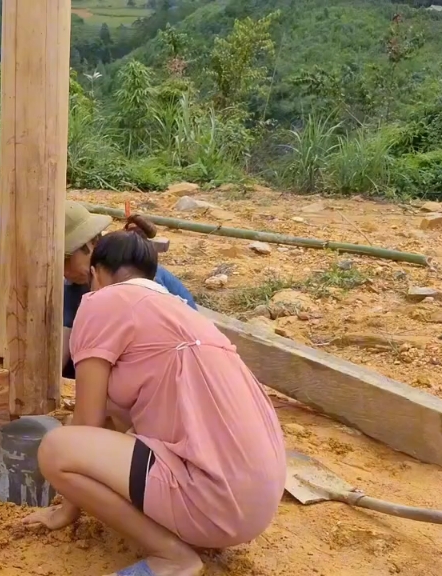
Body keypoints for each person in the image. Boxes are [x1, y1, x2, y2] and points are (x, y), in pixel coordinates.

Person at [22, 228, 286, 576]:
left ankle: (172, 556)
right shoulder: (180, 312)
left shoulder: (102, 301)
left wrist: (65, 511)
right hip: (257, 502)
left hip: (213, 503)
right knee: (114, 421)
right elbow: (109, 418)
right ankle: (184, 527)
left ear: (96, 274)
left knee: (56, 448)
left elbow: (87, 420)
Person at [61, 201, 197, 378]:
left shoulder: (139, 285)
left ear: (92, 244)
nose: (63, 270)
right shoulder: (75, 286)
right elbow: (63, 344)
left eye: (66, 260)